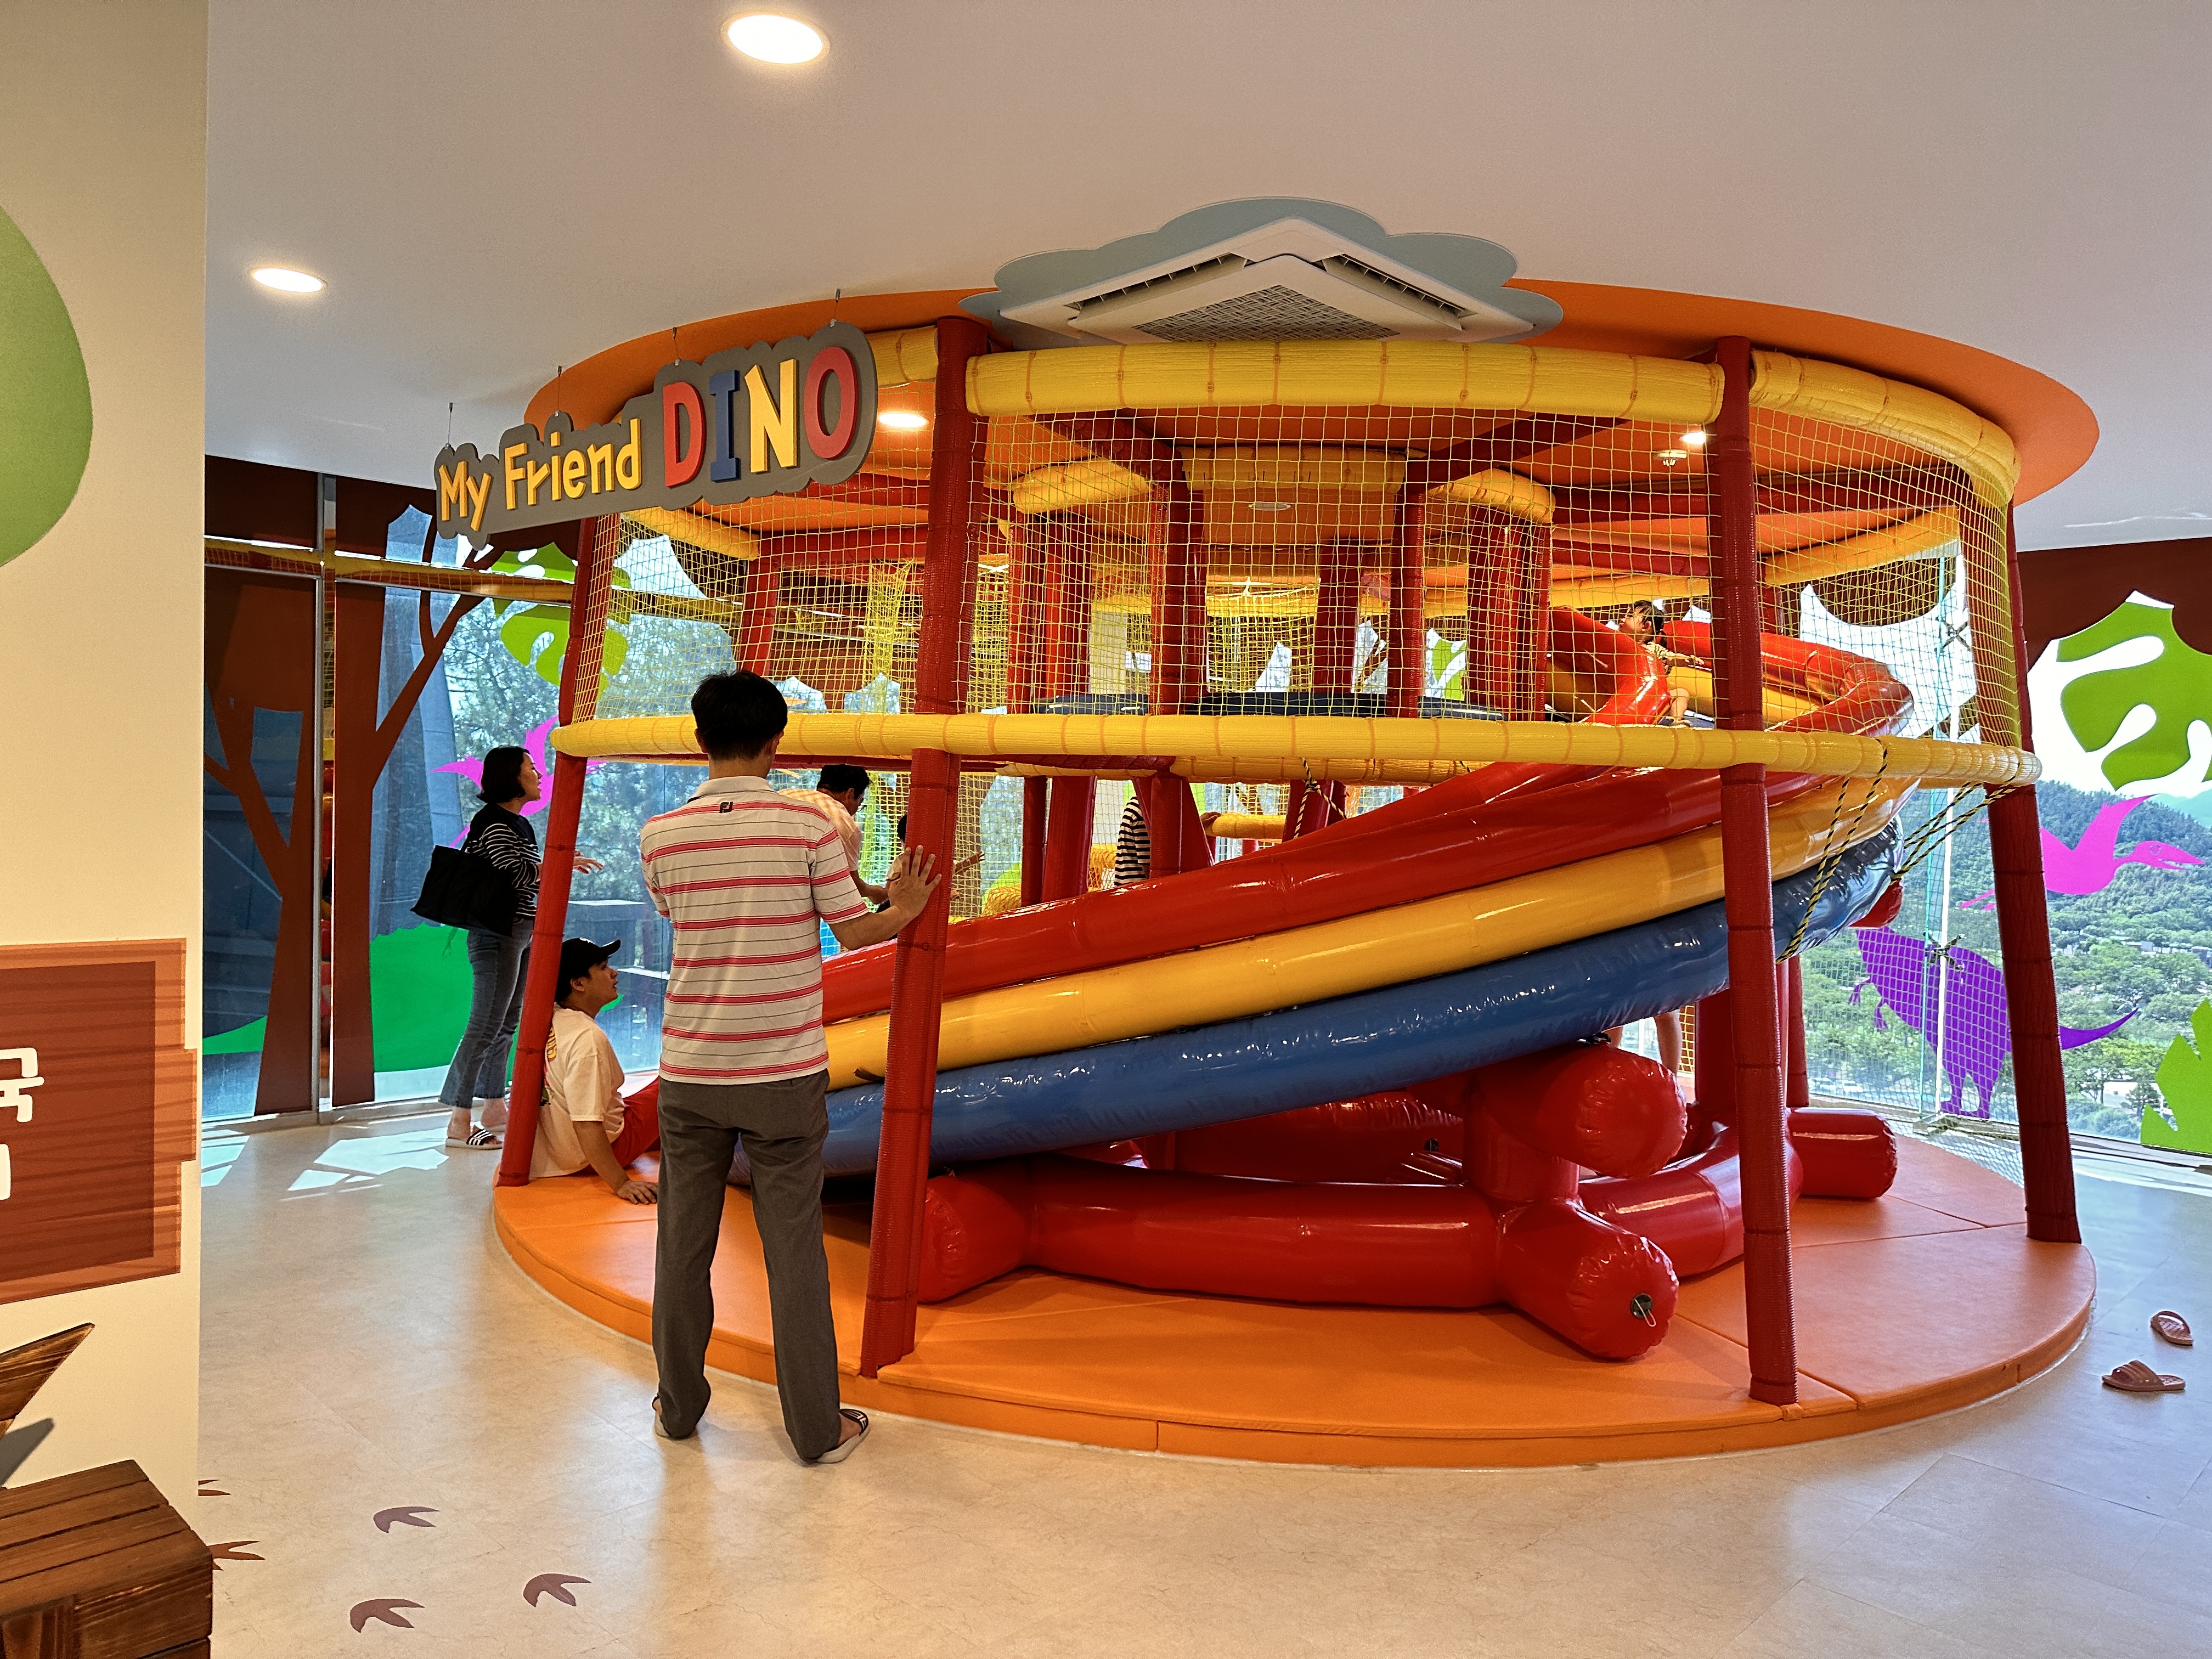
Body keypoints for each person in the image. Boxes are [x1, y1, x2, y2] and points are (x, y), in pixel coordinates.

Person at [643, 671, 939, 1465]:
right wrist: (907, 908)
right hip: (782, 1069)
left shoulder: (660, 834)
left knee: (681, 1246)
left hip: (691, 1070)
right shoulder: (810, 824)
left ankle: (678, 1409)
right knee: (795, 1251)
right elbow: (855, 930)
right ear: (777, 743)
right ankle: (815, 1428)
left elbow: (679, 915)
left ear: (700, 740)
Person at [437, 744, 601, 1150]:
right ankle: (458, 1121)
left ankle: (494, 1106)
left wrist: (556, 864)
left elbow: (527, 874)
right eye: (531, 767)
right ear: (512, 775)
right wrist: (558, 864)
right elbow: (514, 873)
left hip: (520, 930)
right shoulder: (494, 822)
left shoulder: (518, 823)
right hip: (498, 933)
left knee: (506, 1023)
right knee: (485, 1025)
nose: (539, 774)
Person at [532, 936, 660, 1203]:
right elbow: (587, 1123)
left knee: (655, 1094)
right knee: (680, 1083)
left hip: (563, 1150)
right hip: (600, 1153)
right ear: (578, 984)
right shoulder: (588, 1040)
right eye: (602, 968)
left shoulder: (556, 1016)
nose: (614, 973)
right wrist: (621, 1183)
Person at [782, 764, 888, 906]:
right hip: (789, 901)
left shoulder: (785, 794)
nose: (856, 810)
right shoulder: (843, 822)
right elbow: (850, 885)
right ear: (850, 794)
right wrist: (874, 892)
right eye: (860, 803)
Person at [1619, 600, 1694, 726]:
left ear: (1646, 626)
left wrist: (1686, 659)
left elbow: (1670, 657)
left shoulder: (1652, 649)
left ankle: (1675, 721)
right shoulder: (1618, 641)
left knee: (1681, 693)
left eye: (1630, 616)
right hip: (1624, 694)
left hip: (1649, 697)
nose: (1622, 619)